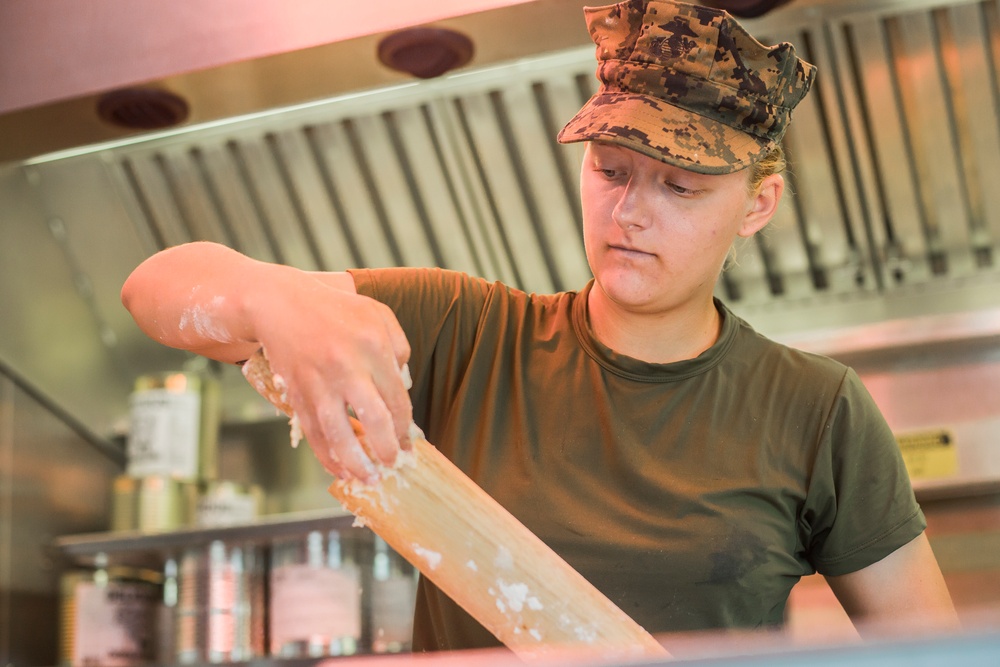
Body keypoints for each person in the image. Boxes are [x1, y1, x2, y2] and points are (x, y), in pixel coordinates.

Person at [122, 0, 958, 652]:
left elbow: (932, 650)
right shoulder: (466, 333)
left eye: (681, 188)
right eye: (610, 169)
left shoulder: (817, 411)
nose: (630, 212)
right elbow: (155, 287)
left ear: (757, 205)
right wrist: (276, 298)